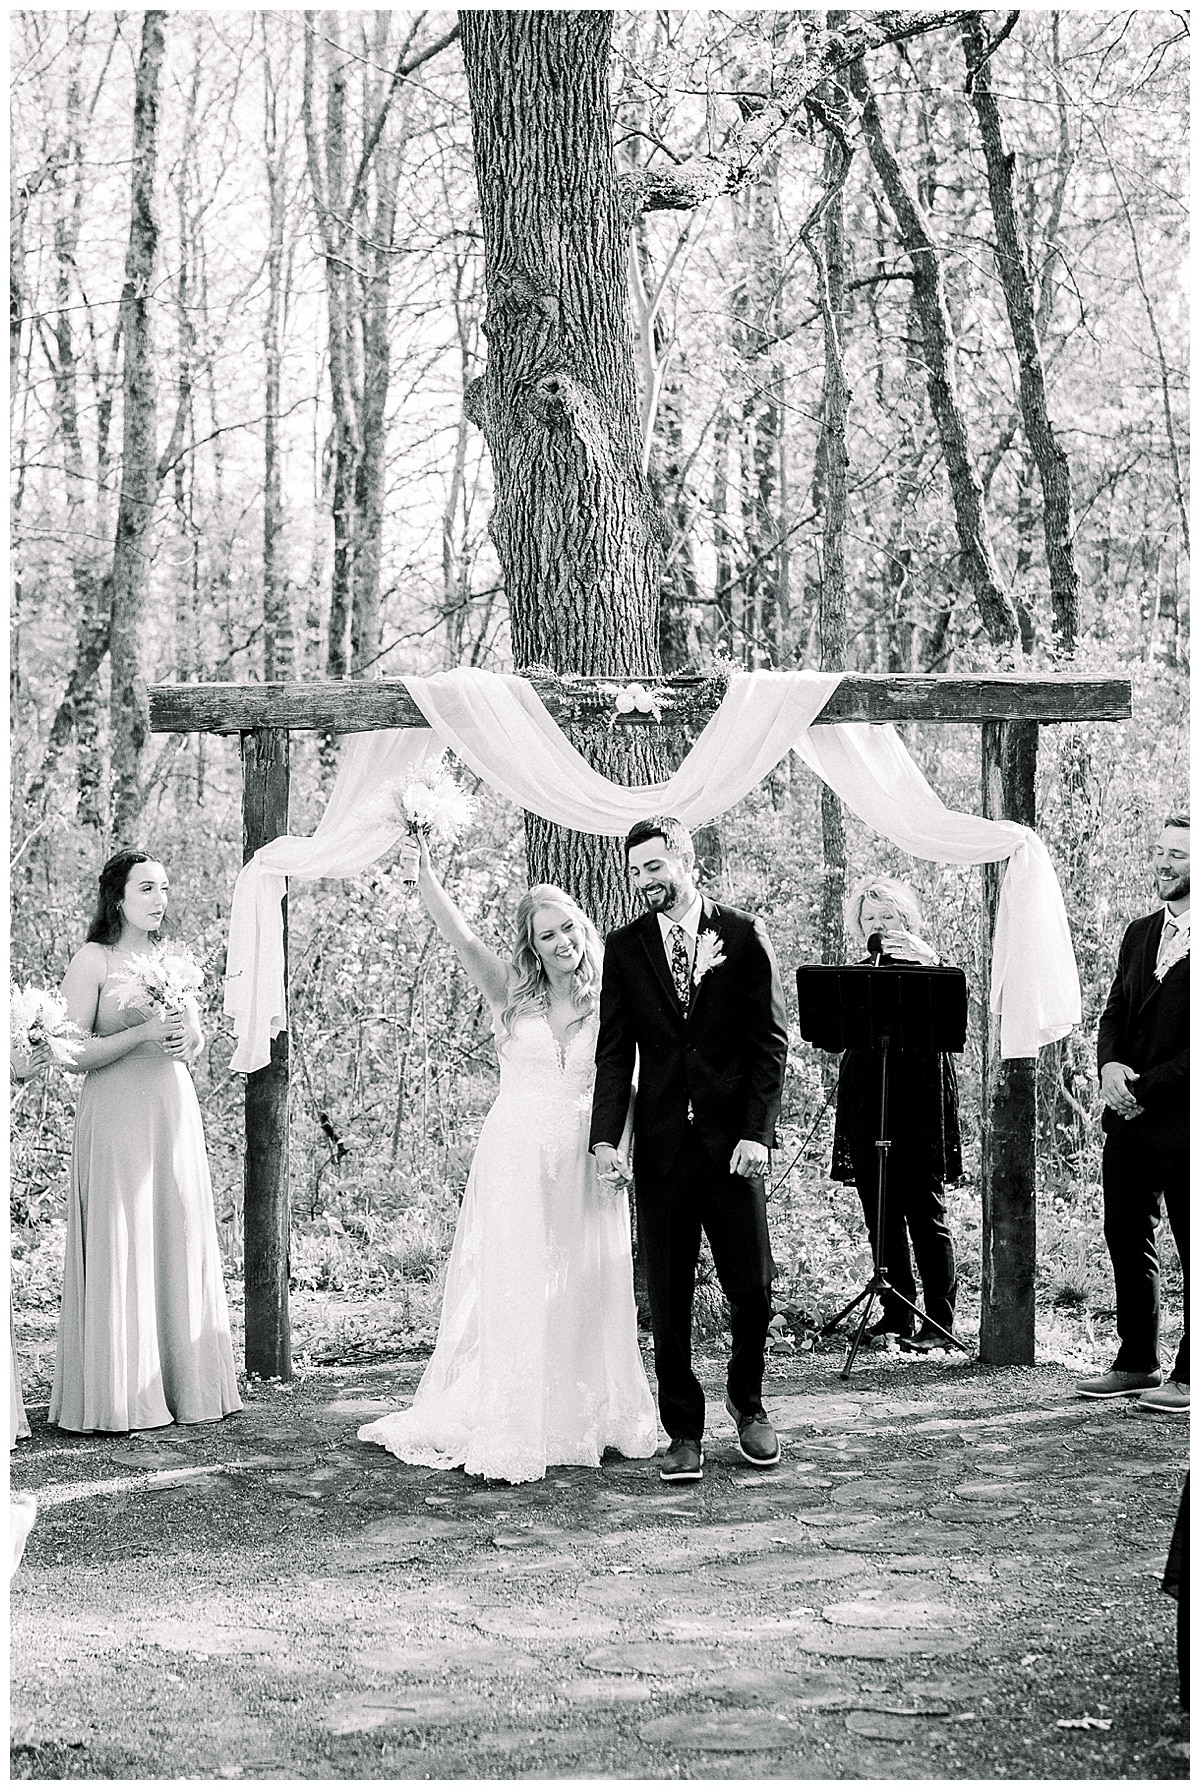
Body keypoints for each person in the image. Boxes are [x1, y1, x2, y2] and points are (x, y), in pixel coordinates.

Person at [359, 835, 658, 1483]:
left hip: (586, 1157)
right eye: (546, 934)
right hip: (516, 1154)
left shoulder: (612, 996)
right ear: (531, 944)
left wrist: (621, 1149)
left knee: (584, 1280)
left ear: (583, 929)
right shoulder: (510, 992)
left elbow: (626, 1081)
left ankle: (586, 1414)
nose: (560, 942)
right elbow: (462, 938)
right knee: (520, 1281)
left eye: (568, 928)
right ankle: (520, 1414)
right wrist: (427, 877)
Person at [590, 817, 789, 1483]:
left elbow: (768, 1045)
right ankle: (684, 1429)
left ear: (685, 858)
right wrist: (603, 1138)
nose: (646, 880)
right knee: (667, 1296)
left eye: (654, 866)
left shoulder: (741, 933)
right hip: (664, 1149)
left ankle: (749, 1400)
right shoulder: (625, 949)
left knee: (753, 1288)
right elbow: (616, 1055)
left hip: (734, 1146)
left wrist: (758, 1135)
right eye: (636, 871)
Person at [49, 850, 242, 1433]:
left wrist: (189, 1040)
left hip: (172, 1109)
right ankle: (121, 1394)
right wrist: (143, 1033)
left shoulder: (171, 961)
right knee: (123, 1236)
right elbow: (71, 1053)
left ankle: (187, 1388)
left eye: (165, 889)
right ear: (118, 898)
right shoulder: (94, 959)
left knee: (175, 1230)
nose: (160, 900)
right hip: (115, 1114)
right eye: (147, 888)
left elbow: (195, 1040)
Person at [1076, 814, 1189, 1411]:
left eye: (1179, 855)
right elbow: (1115, 1012)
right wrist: (1109, 1069)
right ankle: (1138, 1361)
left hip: (1184, 1116)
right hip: (1126, 1115)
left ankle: (1191, 1374)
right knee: (1125, 1232)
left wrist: (1146, 1085)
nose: (1165, 864)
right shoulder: (1139, 932)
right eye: (1160, 852)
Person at [830, 876, 961, 1352]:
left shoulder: (933, 969)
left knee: (925, 1209)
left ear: (906, 919)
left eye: (888, 917)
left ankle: (939, 1320)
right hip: (868, 1097)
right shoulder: (856, 977)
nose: (880, 926)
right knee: (879, 1209)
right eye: (870, 919)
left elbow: (954, 1022)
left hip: (919, 1099)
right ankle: (896, 1313)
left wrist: (928, 960)